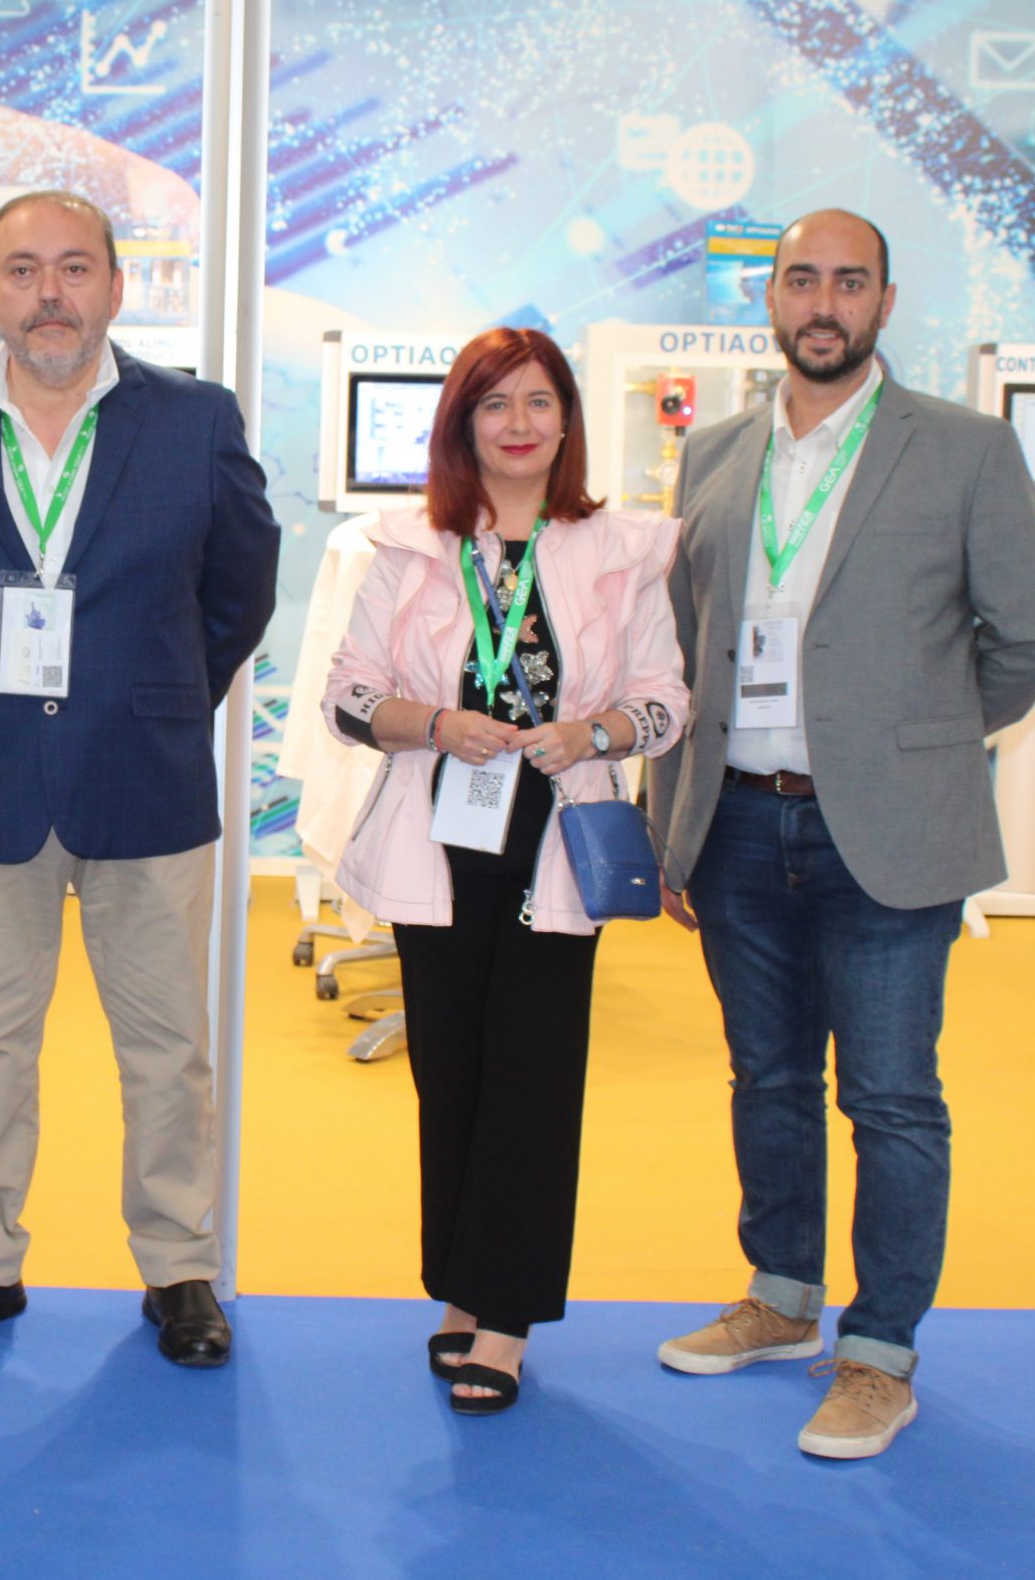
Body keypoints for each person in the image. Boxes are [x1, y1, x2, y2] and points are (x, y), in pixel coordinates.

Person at [647, 209, 1035, 1459]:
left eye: (848, 282)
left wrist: (913, 743)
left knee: (889, 1099)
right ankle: (782, 1297)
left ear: (885, 302)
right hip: (736, 822)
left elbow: (1030, 640)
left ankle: (880, 1353)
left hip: (881, 832)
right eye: (800, 280)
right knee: (766, 1080)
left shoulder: (965, 449)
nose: (821, 302)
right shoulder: (714, 452)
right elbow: (683, 645)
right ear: (769, 300)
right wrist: (672, 821)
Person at [0, 189, 280, 1366]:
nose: (48, 293)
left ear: (114, 285)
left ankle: (178, 1269)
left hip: (146, 779)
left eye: (72, 268)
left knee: (166, 1049)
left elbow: (240, 587)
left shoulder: (194, 419)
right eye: (22, 270)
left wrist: (161, 693)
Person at [319, 328, 689, 1415]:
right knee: (450, 1073)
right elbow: (348, 693)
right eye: (494, 404)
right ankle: (460, 1284)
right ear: (461, 424)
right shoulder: (409, 546)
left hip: (558, 828)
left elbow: (666, 698)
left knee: (532, 1076)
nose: (518, 423)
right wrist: (433, 721)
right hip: (441, 823)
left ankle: (507, 1315)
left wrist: (597, 733)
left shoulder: (622, 549)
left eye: (538, 401)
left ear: (568, 419)